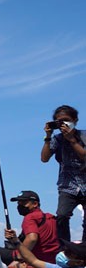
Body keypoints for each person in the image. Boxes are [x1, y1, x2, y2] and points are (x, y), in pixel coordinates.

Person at [40, 105, 86, 244]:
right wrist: (48, 137)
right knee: (62, 215)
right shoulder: (58, 139)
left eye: (66, 120)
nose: (64, 124)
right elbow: (44, 158)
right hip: (67, 185)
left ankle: (84, 248)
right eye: (59, 122)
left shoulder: (84, 136)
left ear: (75, 120)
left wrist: (72, 139)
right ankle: (64, 247)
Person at [4, 190, 58, 263]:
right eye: (18, 203)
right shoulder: (51, 218)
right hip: (52, 260)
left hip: (36, 260)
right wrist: (14, 239)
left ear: (35, 204)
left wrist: (20, 256)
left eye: (23, 203)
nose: (19, 206)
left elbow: (32, 239)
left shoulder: (30, 217)